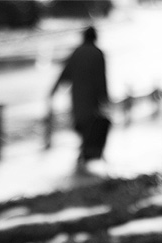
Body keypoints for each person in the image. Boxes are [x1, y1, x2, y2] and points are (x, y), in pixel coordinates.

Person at [50, 26, 111, 170]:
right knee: (91, 125)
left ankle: (84, 154)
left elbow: (65, 74)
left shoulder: (77, 53)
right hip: (92, 98)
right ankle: (87, 153)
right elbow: (102, 78)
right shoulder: (98, 53)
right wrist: (104, 97)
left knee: (82, 124)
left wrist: (53, 90)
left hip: (78, 97)